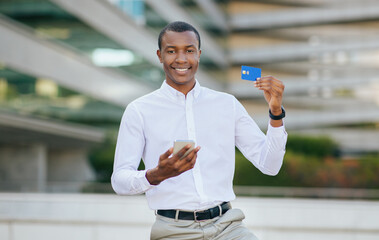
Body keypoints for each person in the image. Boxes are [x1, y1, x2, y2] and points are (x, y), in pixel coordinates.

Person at [112, 21, 287, 240]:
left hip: (227, 227)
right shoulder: (139, 110)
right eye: (171, 51)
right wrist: (156, 175)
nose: (181, 59)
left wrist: (276, 113)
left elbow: (270, 165)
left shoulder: (227, 104)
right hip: (173, 231)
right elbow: (119, 180)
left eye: (189, 50)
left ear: (199, 54)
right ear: (159, 55)